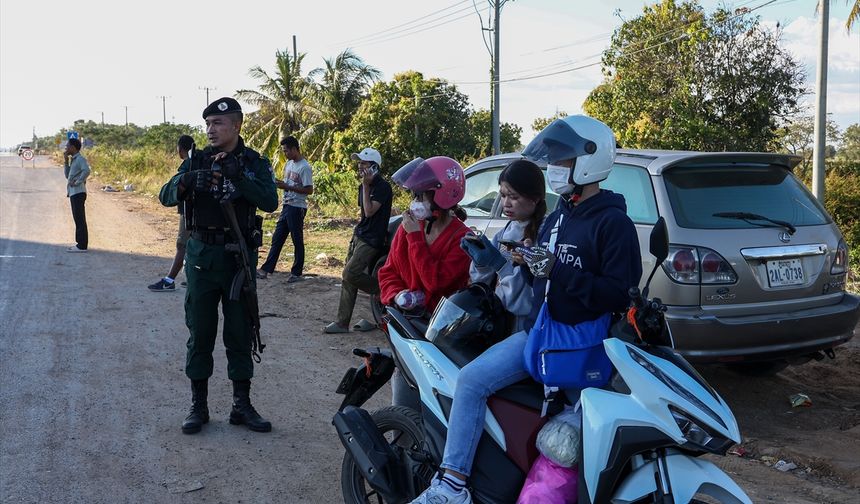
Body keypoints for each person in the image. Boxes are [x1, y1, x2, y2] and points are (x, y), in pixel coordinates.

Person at [409, 116, 643, 504]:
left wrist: (557, 271)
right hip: (541, 334)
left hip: (585, 344)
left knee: (577, 440)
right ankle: (453, 484)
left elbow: (619, 294)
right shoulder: (559, 217)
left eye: (562, 159)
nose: (554, 168)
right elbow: (539, 287)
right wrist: (508, 265)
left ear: (588, 160)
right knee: (471, 381)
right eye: (553, 159)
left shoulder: (612, 223)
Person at [158, 97, 279, 435]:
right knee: (200, 332)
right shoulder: (196, 160)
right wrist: (187, 182)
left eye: (218, 123)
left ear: (237, 126)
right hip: (201, 260)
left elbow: (270, 201)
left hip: (238, 261)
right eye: (208, 124)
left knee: (240, 331)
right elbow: (165, 195)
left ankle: (241, 405)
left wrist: (238, 176)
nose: (211, 129)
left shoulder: (253, 162)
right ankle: (199, 406)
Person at [377, 156, 473, 408]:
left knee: (437, 404)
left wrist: (416, 239)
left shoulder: (463, 238)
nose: (415, 203)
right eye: (414, 196)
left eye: (421, 196)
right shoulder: (408, 227)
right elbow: (387, 272)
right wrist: (398, 295)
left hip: (441, 338)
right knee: (403, 399)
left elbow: (435, 283)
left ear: (442, 197)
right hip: (408, 329)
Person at [462, 159, 547, 333]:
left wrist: (500, 266)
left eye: (513, 197)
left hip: (526, 328)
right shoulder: (506, 231)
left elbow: (522, 300)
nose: (506, 203)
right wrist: (480, 262)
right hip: (500, 323)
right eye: (502, 195)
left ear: (535, 198)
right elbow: (481, 286)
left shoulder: (544, 234)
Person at [324, 147, 393, 334]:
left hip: (371, 239)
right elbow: (364, 213)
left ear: (374, 167)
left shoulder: (383, 187)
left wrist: (367, 185)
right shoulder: (363, 186)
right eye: (359, 163)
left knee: (350, 273)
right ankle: (342, 322)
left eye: (364, 163)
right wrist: (365, 186)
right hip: (360, 234)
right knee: (348, 279)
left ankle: (383, 290)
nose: (360, 166)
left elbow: (370, 211)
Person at [256, 136, 313, 283]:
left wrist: (287, 187)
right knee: (277, 238)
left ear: (294, 149)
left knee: (297, 240)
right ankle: (266, 269)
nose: (285, 154)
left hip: (297, 207)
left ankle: (297, 273)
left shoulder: (304, 167)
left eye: (286, 151)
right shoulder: (288, 164)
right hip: (287, 205)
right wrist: (281, 184)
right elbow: (289, 183)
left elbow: (309, 190)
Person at [149, 135, 196, 291]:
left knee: (182, 244)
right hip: (198, 212)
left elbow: (169, 193)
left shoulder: (188, 165)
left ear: (180, 149)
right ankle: (192, 278)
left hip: (190, 211)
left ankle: (169, 280)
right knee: (193, 244)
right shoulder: (199, 161)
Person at [63, 137, 90, 252]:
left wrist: (78, 181)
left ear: (73, 147)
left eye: (67, 146)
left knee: (80, 219)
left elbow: (87, 170)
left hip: (78, 192)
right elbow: (67, 175)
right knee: (77, 219)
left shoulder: (80, 159)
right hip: (74, 193)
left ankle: (82, 246)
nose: (66, 148)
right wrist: (65, 161)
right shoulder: (73, 160)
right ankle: (80, 244)